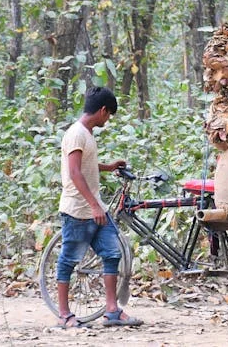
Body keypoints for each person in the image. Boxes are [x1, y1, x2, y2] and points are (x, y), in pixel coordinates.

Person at [56, 87, 143, 328]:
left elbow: (86, 165)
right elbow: (74, 172)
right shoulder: (76, 134)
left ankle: (112, 310)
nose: (108, 120)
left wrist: (108, 166)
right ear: (103, 110)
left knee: (112, 253)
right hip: (78, 210)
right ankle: (64, 314)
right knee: (69, 260)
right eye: (109, 115)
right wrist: (94, 205)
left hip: (96, 210)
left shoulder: (86, 133)